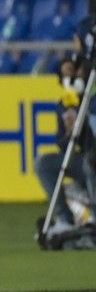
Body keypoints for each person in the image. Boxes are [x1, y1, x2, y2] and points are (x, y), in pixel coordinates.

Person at [34, 61, 96, 235]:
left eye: (72, 70)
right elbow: (63, 146)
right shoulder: (65, 104)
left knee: (89, 162)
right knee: (44, 163)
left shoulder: (91, 100)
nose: (71, 77)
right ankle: (65, 219)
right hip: (85, 160)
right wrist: (69, 131)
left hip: (92, 159)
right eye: (65, 74)